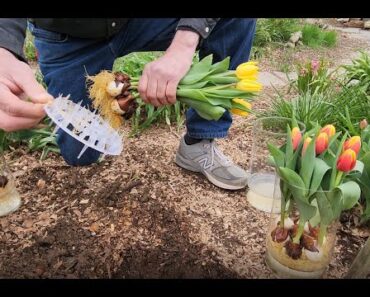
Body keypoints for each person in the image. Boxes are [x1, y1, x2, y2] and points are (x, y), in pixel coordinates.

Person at [0, 18, 256, 190]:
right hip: (68, 34)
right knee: (80, 154)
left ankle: (200, 142)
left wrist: (185, 43)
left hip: (138, 22)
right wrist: (3, 47)